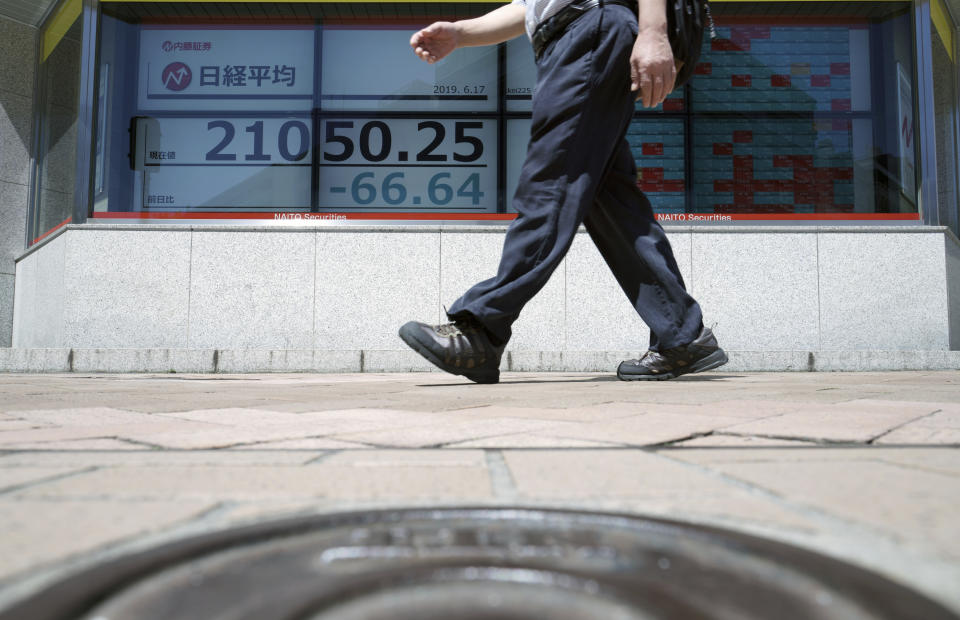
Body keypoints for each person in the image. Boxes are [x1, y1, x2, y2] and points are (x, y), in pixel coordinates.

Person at [399, 0, 727, 384]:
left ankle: (483, 329)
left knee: (550, 182)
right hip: (578, 37)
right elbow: (530, 7)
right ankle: (682, 334)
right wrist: (462, 33)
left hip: (592, 30)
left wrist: (653, 31)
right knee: (611, 203)